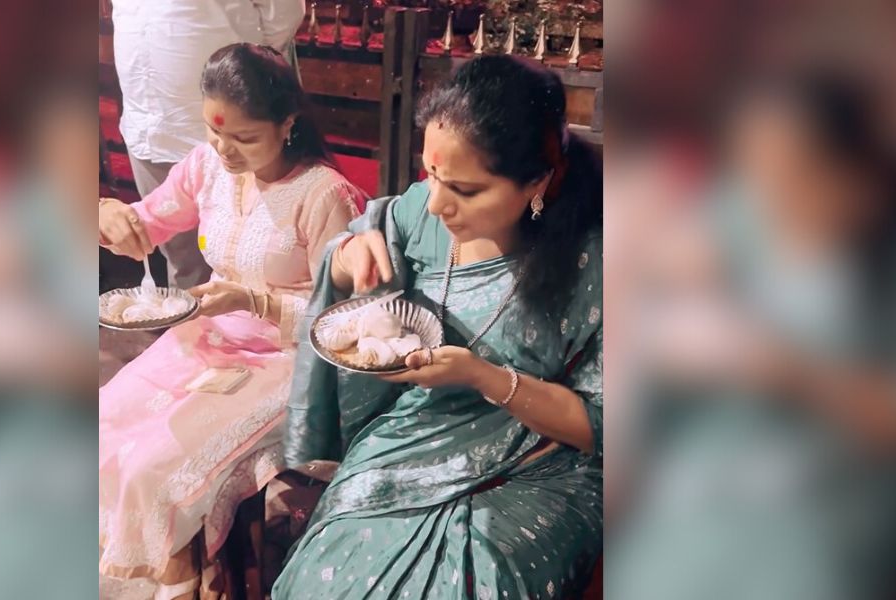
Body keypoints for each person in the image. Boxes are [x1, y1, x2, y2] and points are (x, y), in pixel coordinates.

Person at [276, 55, 604, 599]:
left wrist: (482, 377)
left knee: (477, 581)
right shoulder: (420, 214)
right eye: (430, 174)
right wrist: (350, 255)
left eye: (466, 191)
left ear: (538, 181)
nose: (435, 204)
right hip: (418, 430)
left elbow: (600, 426)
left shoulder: (594, 264)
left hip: (541, 460)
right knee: (329, 568)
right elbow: (353, 255)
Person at [98, 44, 366, 599]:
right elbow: (146, 224)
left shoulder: (324, 195)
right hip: (206, 338)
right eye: (215, 132)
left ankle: (183, 582)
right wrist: (109, 215)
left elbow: (345, 322)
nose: (225, 149)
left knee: (156, 466)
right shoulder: (205, 166)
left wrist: (255, 302)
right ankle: (183, 575)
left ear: (287, 124)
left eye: (245, 138)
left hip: (289, 359)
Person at [108, 0, 306, 288]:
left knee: (255, 259)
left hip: (223, 121)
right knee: (181, 262)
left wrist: (244, 71)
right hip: (147, 125)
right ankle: (191, 315)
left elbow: (283, 15)